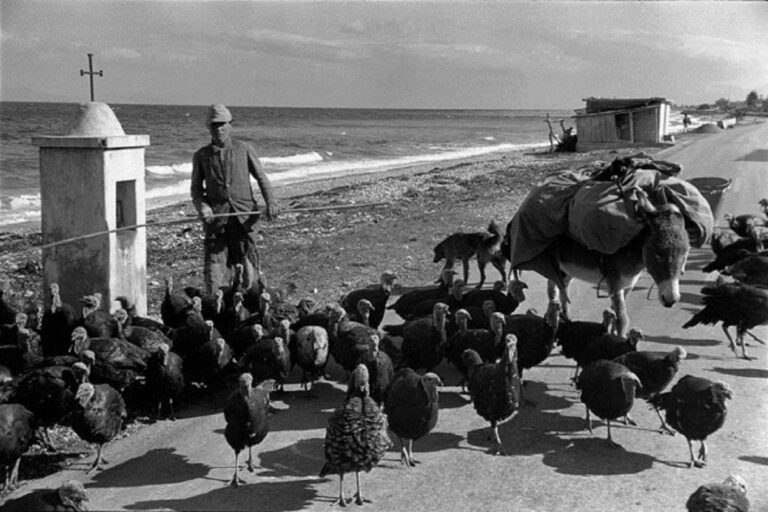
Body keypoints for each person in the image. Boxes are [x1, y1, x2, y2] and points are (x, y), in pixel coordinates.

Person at [191, 104, 280, 295]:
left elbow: (261, 178)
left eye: (222, 124)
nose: (219, 129)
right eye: (214, 125)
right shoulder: (201, 156)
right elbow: (196, 190)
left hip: (244, 222)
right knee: (215, 279)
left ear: (230, 125)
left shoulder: (244, 149)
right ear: (208, 127)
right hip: (217, 223)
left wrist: (271, 202)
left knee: (250, 279)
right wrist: (203, 206)